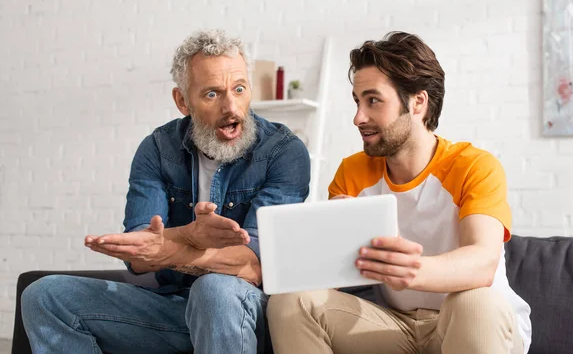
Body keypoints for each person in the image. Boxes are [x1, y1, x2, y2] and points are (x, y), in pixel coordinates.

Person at [20, 29, 310, 354]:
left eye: (239, 89)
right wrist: (185, 237)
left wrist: (181, 243)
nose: (232, 107)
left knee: (214, 289)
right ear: (182, 101)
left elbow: (252, 264)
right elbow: (141, 255)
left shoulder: (284, 151)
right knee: (43, 294)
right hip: (171, 308)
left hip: (243, 312)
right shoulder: (158, 149)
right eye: (212, 94)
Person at [267, 32, 532, 354]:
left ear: (418, 102)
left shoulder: (474, 166)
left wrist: (413, 270)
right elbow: (326, 281)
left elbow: (482, 263)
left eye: (373, 100)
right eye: (357, 101)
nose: (358, 118)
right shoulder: (352, 172)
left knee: (474, 301)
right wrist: (325, 251)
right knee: (290, 303)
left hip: (475, 321)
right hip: (398, 326)